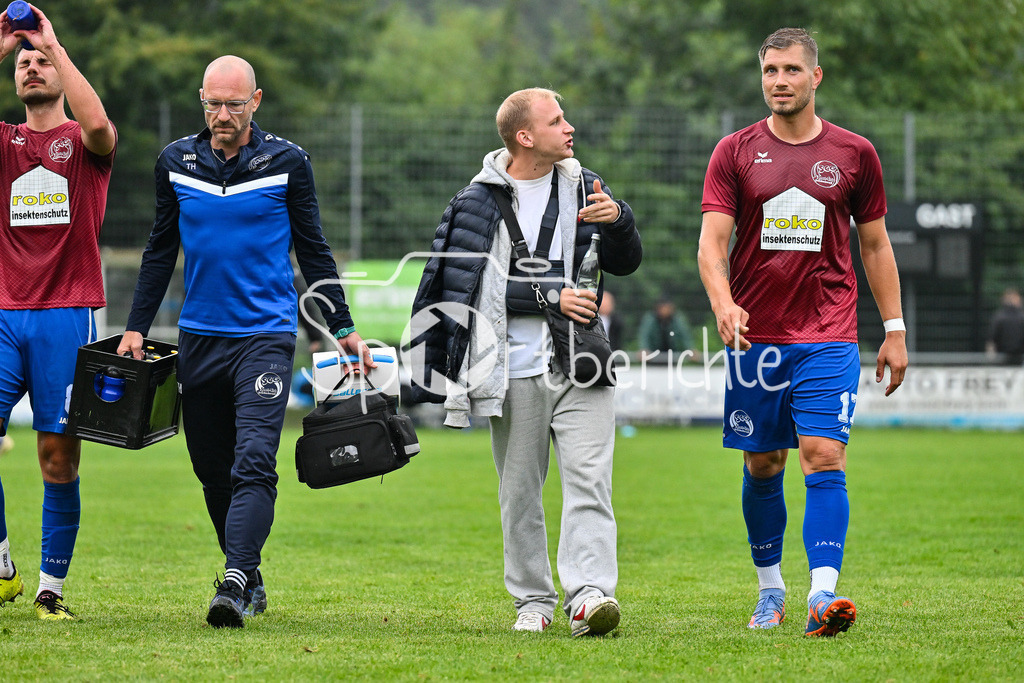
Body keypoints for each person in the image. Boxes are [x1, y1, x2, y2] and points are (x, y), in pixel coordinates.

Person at [117, 55, 372, 629]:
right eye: (213, 104)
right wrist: (136, 325)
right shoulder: (174, 162)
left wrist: (344, 327)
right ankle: (248, 572)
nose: (223, 114)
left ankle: (233, 580)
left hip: (266, 336)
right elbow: (161, 250)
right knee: (212, 469)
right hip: (199, 339)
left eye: (234, 104)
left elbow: (314, 250)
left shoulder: (288, 162)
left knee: (255, 460)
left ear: (256, 101)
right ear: (201, 100)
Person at [697, 28, 908, 637]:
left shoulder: (854, 154)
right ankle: (770, 591)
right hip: (754, 337)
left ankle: (823, 595)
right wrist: (724, 303)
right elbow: (712, 245)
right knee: (764, 462)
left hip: (829, 333)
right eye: (769, 71)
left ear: (816, 77)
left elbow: (874, 244)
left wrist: (893, 328)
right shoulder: (734, 152)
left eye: (791, 70)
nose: (779, 81)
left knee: (823, 455)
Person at [409, 88, 641, 636]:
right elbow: (462, 288)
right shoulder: (474, 202)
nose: (571, 128)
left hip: (582, 361)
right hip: (509, 371)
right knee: (520, 494)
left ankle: (588, 596)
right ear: (524, 137)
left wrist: (619, 221)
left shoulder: (588, 185)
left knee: (590, 483)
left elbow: (626, 263)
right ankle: (533, 602)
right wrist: (549, 296)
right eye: (557, 121)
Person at [0, 5, 116, 621]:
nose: (32, 66)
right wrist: (2, 44)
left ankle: (51, 589)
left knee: (56, 453)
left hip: (66, 313)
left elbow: (98, 123)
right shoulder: (3, 140)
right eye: (24, 62)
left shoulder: (82, 142)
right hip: (3, 312)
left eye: (41, 60)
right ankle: (1, 562)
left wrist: (52, 43)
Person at [638, 296, 696, 361]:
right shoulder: (650, 319)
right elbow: (644, 336)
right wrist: (644, 349)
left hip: (672, 356)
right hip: (653, 357)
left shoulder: (677, 320)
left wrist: (690, 349)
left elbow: (685, 336)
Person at [986, 288, 1024, 365]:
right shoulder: (1021, 317)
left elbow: (991, 340)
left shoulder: (999, 317)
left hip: (1002, 358)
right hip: (1020, 358)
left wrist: (990, 360)